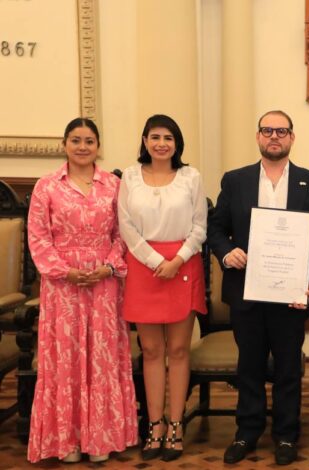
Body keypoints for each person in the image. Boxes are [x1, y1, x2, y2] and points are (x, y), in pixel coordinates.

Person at [208, 110, 309, 466]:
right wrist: (226, 251)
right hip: (247, 291)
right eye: (267, 130)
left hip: (292, 294)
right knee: (248, 365)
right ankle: (246, 432)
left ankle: (286, 436)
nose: (274, 136)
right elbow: (216, 228)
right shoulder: (236, 180)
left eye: (281, 131)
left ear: (292, 137)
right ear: (258, 136)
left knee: (288, 367)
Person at [26, 118, 138, 463]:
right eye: (76, 140)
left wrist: (108, 266)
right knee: (67, 359)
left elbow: (123, 233)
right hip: (62, 287)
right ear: (65, 144)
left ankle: (101, 438)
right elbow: (38, 237)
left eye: (89, 141)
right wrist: (66, 271)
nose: (82, 146)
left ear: (98, 146)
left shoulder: (114, 185)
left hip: (104, 283)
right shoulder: (46, 187)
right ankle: (68, 441)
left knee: (101, 360)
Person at [118, 114, 208, 462]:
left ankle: (176, 424)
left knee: (180, 350)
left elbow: (200, 226)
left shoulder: (190, 177)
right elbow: (126, 226)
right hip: (144, 267)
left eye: (168, 138)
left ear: (177, 143)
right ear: (144, 141)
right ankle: (154, 424)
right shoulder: (129, 176)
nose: (161, 144)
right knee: (152, 351)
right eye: (154, 137)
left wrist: (177, 259)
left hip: (183, 265)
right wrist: (155, 260)